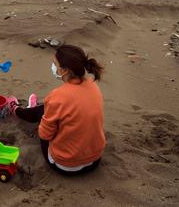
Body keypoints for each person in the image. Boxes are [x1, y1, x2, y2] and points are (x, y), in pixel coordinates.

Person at [7, 45, 105, 175]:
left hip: (66, 165)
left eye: (55, 64)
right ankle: (31, 110)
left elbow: (45, 135)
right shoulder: (93, 86)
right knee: (51, 110)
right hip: (94, 160)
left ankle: (16, 109)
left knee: (43, 113)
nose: (53, 67)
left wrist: (44, 122)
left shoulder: (57, 96)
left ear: (64, 70)